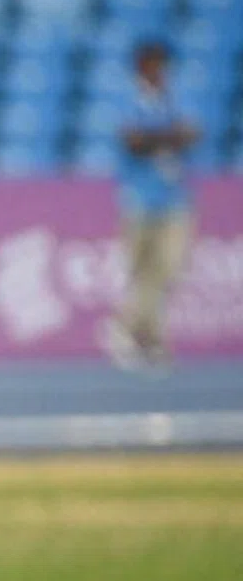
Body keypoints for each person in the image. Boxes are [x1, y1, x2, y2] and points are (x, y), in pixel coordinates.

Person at [100, 39, 200, 371]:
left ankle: (126, 329)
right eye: (154, 63)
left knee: (168, 268)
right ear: (141, 65)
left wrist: (155, 137)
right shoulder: (128, 98)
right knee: (141, 270)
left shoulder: (175, 98)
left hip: (174, 198)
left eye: (163, 64)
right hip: (139, 198)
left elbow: (193, 133)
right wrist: (168, 136)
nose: (160, 71)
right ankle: (150, 338)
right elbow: (133, 142)